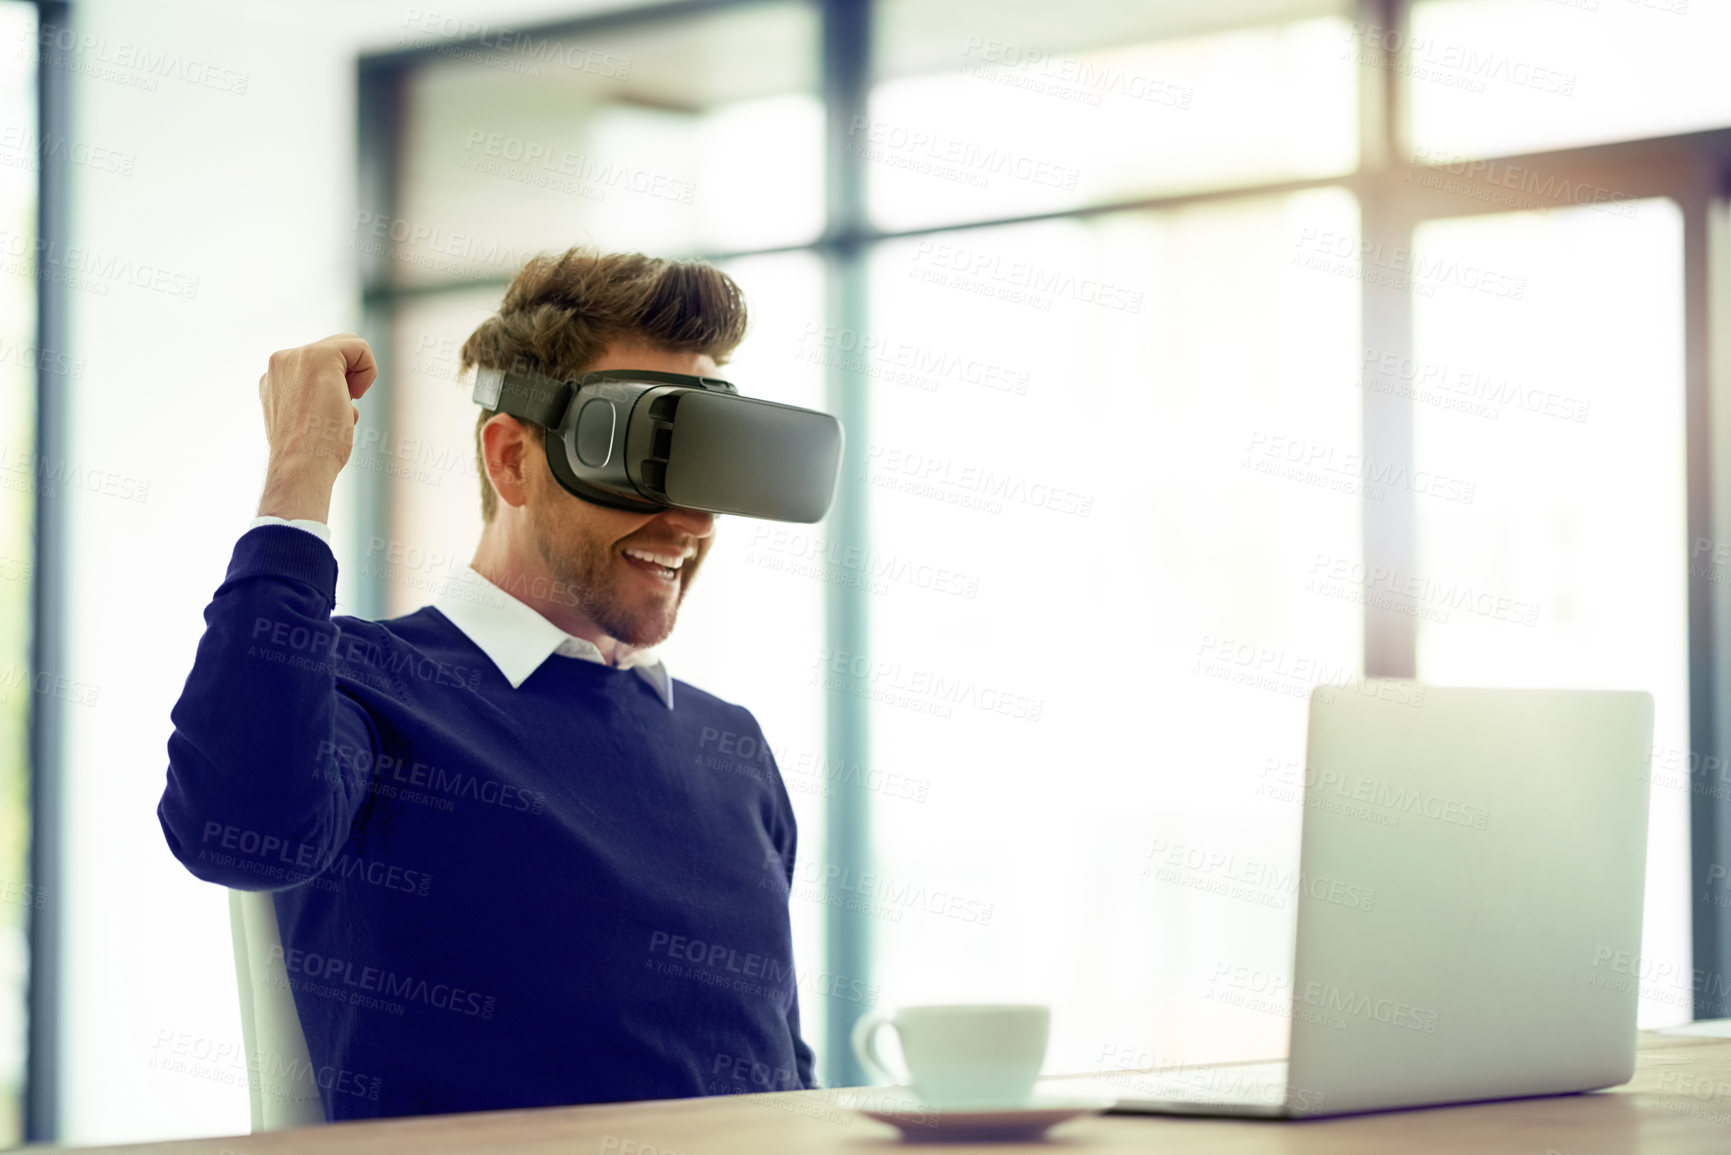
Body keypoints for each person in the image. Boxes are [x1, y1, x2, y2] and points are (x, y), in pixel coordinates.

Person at [157, 247, 817, 1121]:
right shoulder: (367, 687)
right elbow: (236, 834)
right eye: (647, 458)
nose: (691, 521)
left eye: (703, 465)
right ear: (510, 459)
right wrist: (297, 479)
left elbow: (781, 1066)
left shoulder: (730, 746)